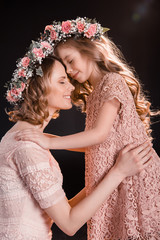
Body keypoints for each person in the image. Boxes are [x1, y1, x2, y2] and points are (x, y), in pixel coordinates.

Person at [15, 18, 160, 239]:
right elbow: (100, 145)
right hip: (124, 173)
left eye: (71, 61)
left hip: (139, 174)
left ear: (90, 49)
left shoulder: (112, 81)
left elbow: (99, 135)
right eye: (65, 67)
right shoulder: (94, 94)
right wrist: (43, 136)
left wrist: (51, 142)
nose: (70, 70)